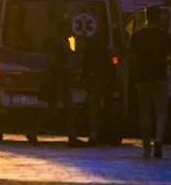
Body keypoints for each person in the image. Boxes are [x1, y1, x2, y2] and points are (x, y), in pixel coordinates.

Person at [127, 5, 171, 159]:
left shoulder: (137, 35)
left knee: (145, 111)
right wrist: (164, 63)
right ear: (159, 17)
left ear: (146, 16)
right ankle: (159, 140)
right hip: (159, 77)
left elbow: (129, 59)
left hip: (142, 78)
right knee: (161, 111)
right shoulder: (165, 36)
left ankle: (147, 148)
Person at [26, 18, 82, 147]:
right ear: (63, 30)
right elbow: (56, 63)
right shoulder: (60, 44)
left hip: (62, 81)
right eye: (68, 28)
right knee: (62, 109)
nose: (70, 30)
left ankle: (71, 137)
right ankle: (34, 132)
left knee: (62, 109)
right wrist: (68, 70)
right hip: (59, 81)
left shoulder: (65, 42)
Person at [81, 34, 118, 146]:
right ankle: (110, 134)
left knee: (94, 107)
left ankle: (94, 134)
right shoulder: (107, 53)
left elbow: (86, 69)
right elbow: (114, 68)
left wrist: (84, 80)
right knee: (109, 108)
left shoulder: (90, 53)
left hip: (97, 80)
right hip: (109, 81)